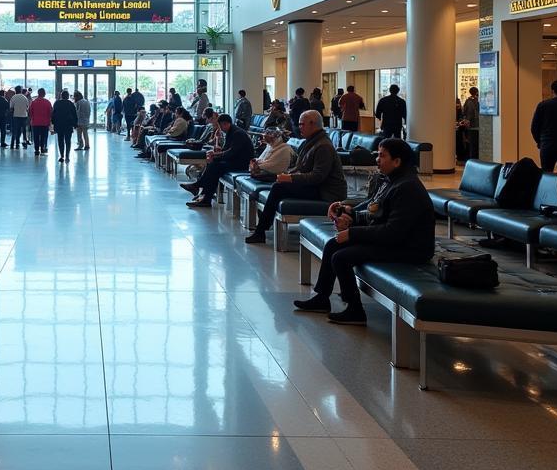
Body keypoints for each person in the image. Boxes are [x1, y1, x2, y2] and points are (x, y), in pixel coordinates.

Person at [293, 138, 436, 324]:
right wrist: (347, 211)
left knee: (341, 257)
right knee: (333, 244)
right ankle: (322, 298)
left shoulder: (407, 187)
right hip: (394, 240)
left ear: (397, 161)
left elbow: (393, 232)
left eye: (382, 155)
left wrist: (352, 233)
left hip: (409, 248)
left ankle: (355, 310)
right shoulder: (391, 180)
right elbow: (373, 208)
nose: (377, 159)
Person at [245, 110, 347, 244]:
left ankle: (261, 230)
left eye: (302, 124)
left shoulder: (323, 146)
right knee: (277, 183)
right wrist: (286, 175)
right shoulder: (311, 142)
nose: (299, 127)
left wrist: (290, 178)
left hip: (326, 192)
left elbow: (318, 177)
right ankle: (263, 226)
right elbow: (300, 167)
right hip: (316, 187)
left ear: (313, 124)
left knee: (278, 188)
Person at [183, 114, 255, 208]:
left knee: (215, 167)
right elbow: (227, 150)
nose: (220, 128)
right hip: (235, 160)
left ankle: (201, 191)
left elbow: (232, 152)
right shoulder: (232, 132)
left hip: (241, 164)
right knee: (213, 165)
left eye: (221, 126)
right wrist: (216, 153)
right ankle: (204, 196)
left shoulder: (237, 133)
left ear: (226, 124)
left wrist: (216, 155)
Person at [52, 89, 78, 163]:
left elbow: (53, 114)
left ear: (61, 96)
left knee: (60, 140)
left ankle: (61, 155)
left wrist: (53, 123)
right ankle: (67, 156)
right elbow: (74, 115)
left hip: (59, 125)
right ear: (67, 96)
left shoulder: (57, 103)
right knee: (68, 141)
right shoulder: (71, 104)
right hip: (68, 125)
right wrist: (75, 124)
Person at [29, 88, 53, 155]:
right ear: (44, 94)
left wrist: (32, 119)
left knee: (36, 136)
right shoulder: (47, 102)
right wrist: (50, 121)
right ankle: (43, 148)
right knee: (44, 136)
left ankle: (36, 150)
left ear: (38, 93)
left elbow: (30, 113)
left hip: (35, 122)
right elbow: (51, 112)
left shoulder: (33, 102)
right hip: (45, 123)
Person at [462, 87, 480, 161]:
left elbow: (466, 112)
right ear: (477, 92)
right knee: (476, 144)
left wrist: (467, 121)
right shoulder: (478, 101)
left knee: (472, 144)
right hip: (478, 125)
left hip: (471, 126)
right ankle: (476, 159)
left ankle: (472, 160)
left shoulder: (468, 101)